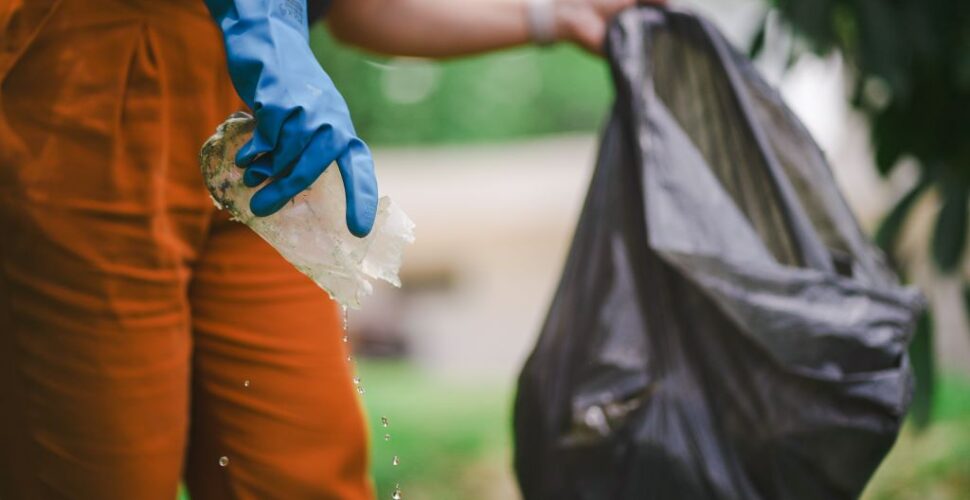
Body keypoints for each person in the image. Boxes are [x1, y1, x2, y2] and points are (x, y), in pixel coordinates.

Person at [0, 0, 660, 498]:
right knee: (99, 464)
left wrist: (553, 14)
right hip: (84, 78)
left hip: (257, 120)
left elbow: (351, 9)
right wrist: (264, 21)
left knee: (299, 466)